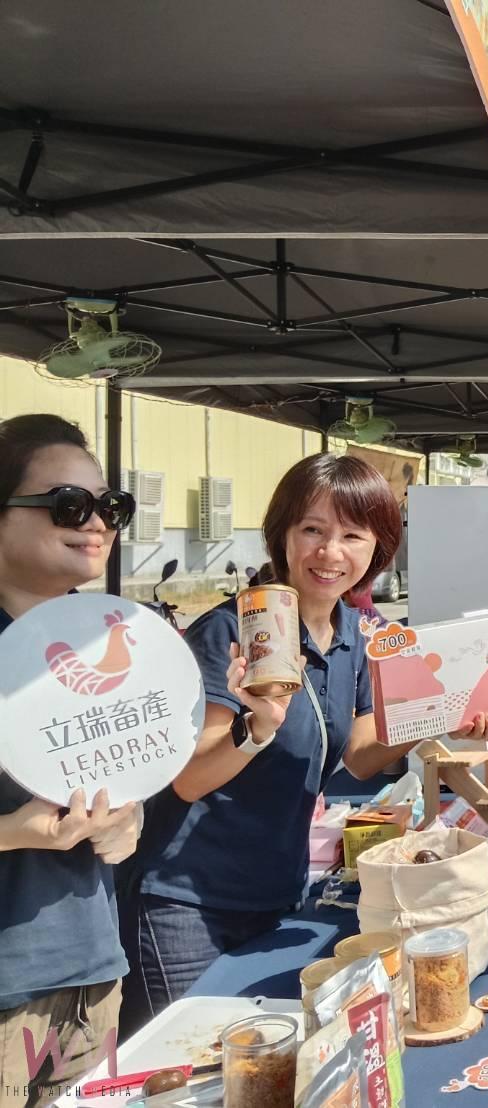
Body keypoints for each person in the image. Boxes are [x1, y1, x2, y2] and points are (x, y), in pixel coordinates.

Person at [118, 453, 488, 1031]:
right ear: (283, 535)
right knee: (193, 1061)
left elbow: (362, 756)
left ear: (378, 547)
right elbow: (191, 778)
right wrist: (258, 729)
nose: (330, 553)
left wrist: (437, 715)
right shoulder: (234, 630)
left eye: (352, 535)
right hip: (187, 902)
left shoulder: (355, 633)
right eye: (313, 530)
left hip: (279, 890)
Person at [0, 415, 145, 1108]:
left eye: (110, 506)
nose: (95, 523)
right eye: (67, 504)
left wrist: (126, 823)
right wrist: (14, 831)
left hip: (92, 978)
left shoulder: (110, 640)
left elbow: (129, 788)